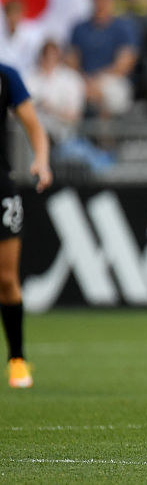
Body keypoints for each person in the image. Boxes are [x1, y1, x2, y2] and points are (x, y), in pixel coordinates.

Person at [0, 62, 53, 388]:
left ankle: (17, 359)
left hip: (0, 189)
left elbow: (33, 125)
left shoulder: (7, 76)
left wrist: (42, 159)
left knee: (6, 280)